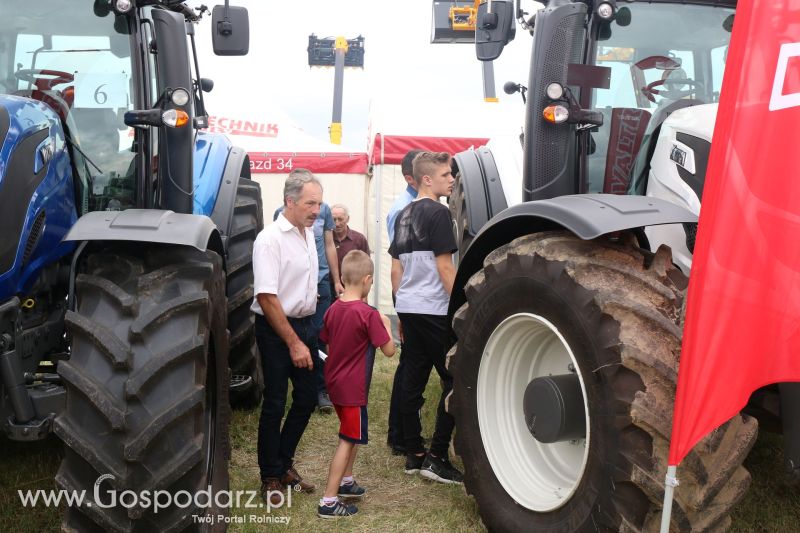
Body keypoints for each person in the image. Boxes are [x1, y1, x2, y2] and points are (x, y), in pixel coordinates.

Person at [389, 151, 463, 484]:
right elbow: (445, 267)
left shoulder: (404, 213)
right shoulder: (439, 213)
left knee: (412, 380)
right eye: (447, 175)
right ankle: (436, 456)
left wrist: (400, 308)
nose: (452, 179)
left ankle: (413, 454)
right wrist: (463, 307)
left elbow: (396, 267)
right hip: (434, 308)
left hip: (409, 306)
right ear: (427, 180)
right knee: (455, 379)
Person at [253, 168, 323, 505]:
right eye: (311, 203)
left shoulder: (307, 232)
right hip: (277, 329)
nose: (316, 210)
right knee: (276, 403)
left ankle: (284, 464)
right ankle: (270, 475)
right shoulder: (270, 239)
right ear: (289, 201)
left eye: (319, 204)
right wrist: (293, 342)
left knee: (308, 398)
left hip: (306, 325)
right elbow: (267, 297)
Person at [318, 250, 395, 518]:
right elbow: (388, 351)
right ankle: (328, 500)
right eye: (372, 282)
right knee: (348, 440)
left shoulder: (332, 309)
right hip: (353, 389)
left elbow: (328, 341)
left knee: (349, 432)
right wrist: (386, 324)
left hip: (335, 384)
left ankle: (347, 481)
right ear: (367, 280)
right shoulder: (368, 314)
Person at [274, 200, 343, 413]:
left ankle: (321, 390)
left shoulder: (325, 211)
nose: (315, 206)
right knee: (293, 335)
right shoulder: (279, 214)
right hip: (295, 283)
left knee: (320, 335)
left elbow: (330, 245)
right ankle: (296, 387)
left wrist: (336, 279)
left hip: (320, 281)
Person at [385, 149, 422, 456]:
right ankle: (398, 434)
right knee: (409, 367)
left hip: (415, 297)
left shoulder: (414, 205)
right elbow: (401, 262)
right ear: (412, 177)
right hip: (412, 298)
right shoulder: (403, 210)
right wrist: (403, 308)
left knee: (410, 366)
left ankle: (398, 432)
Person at [331, 203, 370, 287]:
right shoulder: (326, 240)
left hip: (353, 288)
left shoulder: (359, 239)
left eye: (340, 219)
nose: (337, 224)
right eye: (334, 219)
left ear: (347, 219)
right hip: (330, 288)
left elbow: (367, 268)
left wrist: (364, 296)